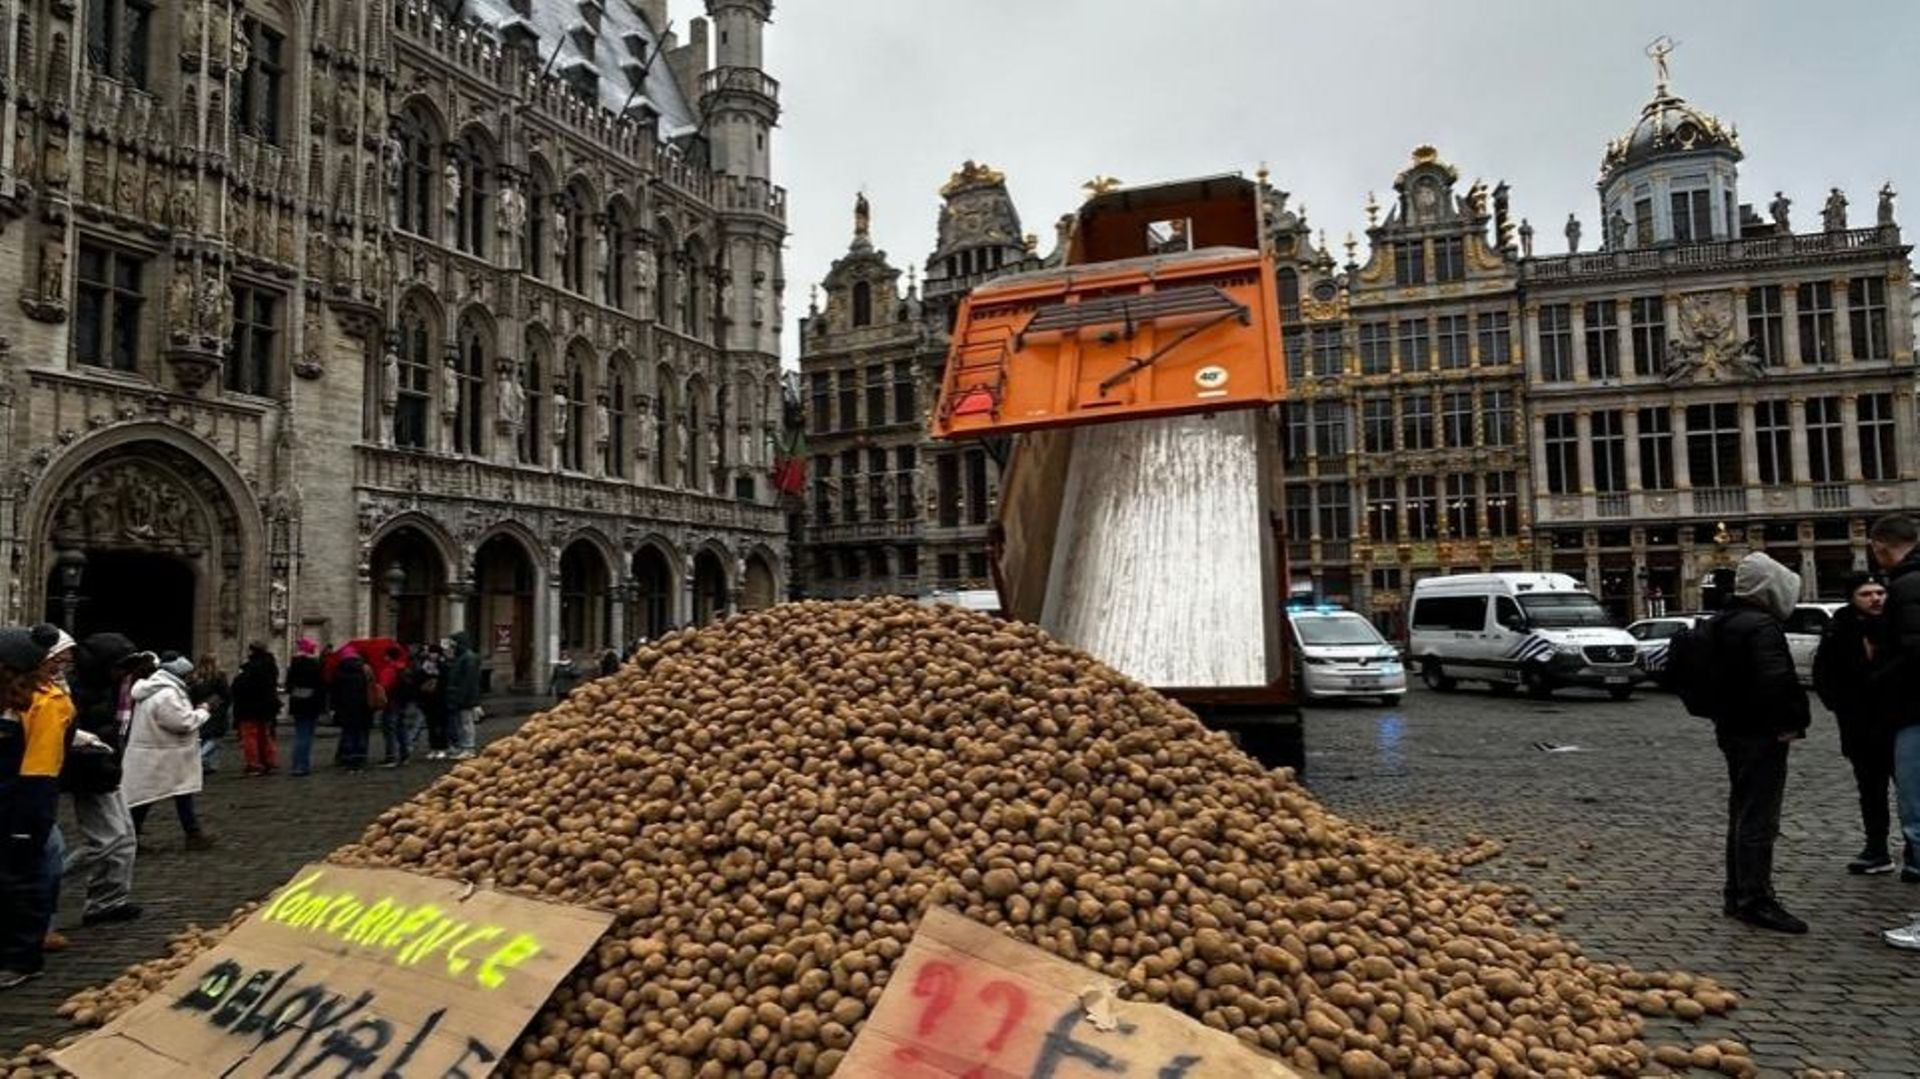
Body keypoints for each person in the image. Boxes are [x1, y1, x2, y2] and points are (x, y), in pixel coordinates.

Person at [1700, 551, 1811, 933]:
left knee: (1742, 810)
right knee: (1759, 816)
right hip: (1760, 731)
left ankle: (1736, 892)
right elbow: (1775, 679)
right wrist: (1791, 721)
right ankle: (1756, 898)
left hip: (1731, 727)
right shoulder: (1761, 626)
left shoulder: (1722, 621)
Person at [1813, 574, 1895, 874]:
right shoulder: (1838, 628)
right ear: (1852, 597)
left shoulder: (1898, 623)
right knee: (1871, 791)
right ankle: (1876, 848)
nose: (1876, 599)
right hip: (1859, 725)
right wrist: (1842, 705)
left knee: (1910, 789)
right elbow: (1823, 674)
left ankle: (1915, 849)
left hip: (1898, 721)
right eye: (1866, 594)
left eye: (1879, 592)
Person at [60, 634, 140, 927]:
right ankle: (47, 879)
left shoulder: (111, 687)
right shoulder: (73, 690)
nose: (124, 673)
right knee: (108, 839)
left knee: (125, 838)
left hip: (107, 769)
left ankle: (108, 901)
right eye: (120, 666)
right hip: (88, 772)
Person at [0, 626, 54, 988]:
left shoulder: (43, 704)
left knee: (19, 880)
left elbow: (40, 767)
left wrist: (26, 819)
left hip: (24, 800)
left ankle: (22, 958)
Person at [122, 653, 215, 851]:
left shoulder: (155, 689)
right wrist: (204, 711)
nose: (192, 678)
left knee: (172, 793)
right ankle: (130, 838)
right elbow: (182, 722)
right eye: (189, 674)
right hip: (164, 754)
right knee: (149, 797)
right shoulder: (167, 694)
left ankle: (192, 833)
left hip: (161, 752)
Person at [25, 627, 76, 955]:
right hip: (28, 789)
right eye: (58, 658)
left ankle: (41, 927)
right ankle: (33, 932)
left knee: (49, 856)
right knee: (44, 857)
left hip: (36, 786)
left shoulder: (53, 691)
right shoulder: (32, 695)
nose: (63, 664)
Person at [228, 641, 280, 775]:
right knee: (265, 734)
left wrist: (238, 679)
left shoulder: (252, 668)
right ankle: (269, 760)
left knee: (250, 736)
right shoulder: (271, 666)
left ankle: (254, 764)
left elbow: (241, 687)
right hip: (267, 706)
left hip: (250, 707)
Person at [284, 638, 326, 777]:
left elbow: (288, 686)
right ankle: (302, 765)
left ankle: (297, 764)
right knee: (306, 735)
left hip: (297, 703)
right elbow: (321, 686)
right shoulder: (315, 665)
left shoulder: (293, 665)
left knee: (300, 734)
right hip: (312, 703)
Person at [329, 647, 373, 771]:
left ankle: (347, 758)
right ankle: (360, 758)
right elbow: (371, 687)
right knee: (361, 732)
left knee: (348, 732)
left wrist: (333, 707)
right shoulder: (365, 670)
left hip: (345, 707)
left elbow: (334, 693)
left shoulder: (338, 672)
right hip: (363, 706)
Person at [187, 654, 230, 775]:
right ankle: (202, 757)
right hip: (216, 710)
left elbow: (191, 694)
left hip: (199, 709)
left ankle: (210, 764)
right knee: (215, 738)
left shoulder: (195, 677)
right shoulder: (218, 676)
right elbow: (226, 694)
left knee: (205, 736)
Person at [445, 632, 481, 761]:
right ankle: (463, 746)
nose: (452, 647)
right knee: (461, 723)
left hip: (466, 697)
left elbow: (468, 682)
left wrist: (460, 697)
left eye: (454, 644)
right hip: (459, 695)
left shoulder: (468, 658)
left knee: (466, 723)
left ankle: (469, 748)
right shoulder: (461, 657)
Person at [377, 645, 412, 768]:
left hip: (391, 702)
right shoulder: (403, 668)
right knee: (401, 728)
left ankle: (391, 757)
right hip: (403, 702)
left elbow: (384, 686)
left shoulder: (389, 669)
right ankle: (405, 755)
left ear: (388, 656)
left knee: (389, 730)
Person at [417, 644, 448, 760]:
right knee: (431, 725)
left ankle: (442, 748)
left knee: (441, 725)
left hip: (440, 699)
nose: (432, 655)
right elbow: (418, 680)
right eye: (430, 652)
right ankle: (433, 748)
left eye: (434, 653)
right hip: (428, 700)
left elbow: (445, 681)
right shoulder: (424, 665)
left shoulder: (443, 665)